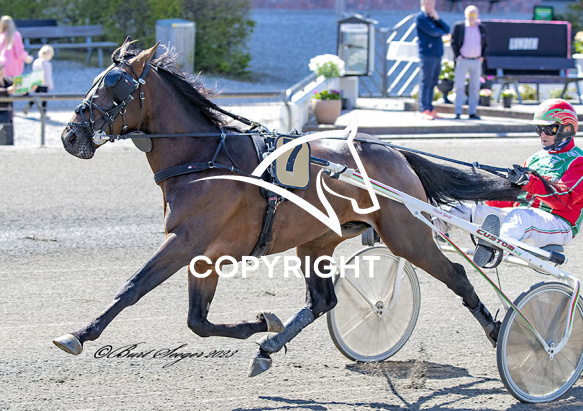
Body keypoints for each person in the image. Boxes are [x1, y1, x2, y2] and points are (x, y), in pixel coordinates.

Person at [441, 99, 583, 267]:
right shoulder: (536, 158)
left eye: (549, 129)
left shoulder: (578, 161)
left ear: (567, 128)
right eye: (539, 129)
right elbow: (516, 195)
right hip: (525, 216)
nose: (542, 134)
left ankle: (493, 251)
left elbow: (563, 198)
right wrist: (485, 199)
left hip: (559, 224)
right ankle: (427, 230)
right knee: (462, 209)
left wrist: (528, 181)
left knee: (520, 216)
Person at [450, 5, 487, 120]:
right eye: (470, 14)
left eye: (474, 14)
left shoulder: (481, 28)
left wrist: (482, 56)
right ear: (465, 15)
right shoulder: (459, 26)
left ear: (477, 15)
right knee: (459, 86)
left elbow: (486, 43)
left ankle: (472, 112)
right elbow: (453, 41)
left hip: (476, 60)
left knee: (475, 87)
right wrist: (458, 56)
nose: (472, 17)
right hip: (463, 60)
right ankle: (458, 111)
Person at [416, 0, 450, 120]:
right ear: (422, 4)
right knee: (426, 82)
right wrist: (441, 31)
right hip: (427, 54)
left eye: (431, 4)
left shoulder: (433, 18)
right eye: (427, 3)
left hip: (437, 54)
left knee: (432, 82)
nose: (429, 6)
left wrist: (438, 19)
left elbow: (447, 29)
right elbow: (433, 31)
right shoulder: (421, 18)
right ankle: (424, 109)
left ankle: (430, 108)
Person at [23, 45, 54, 116]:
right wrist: (50, 84)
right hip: (44, 84)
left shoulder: (36, 62)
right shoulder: (47, 64)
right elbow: (48, 75)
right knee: (44, 99)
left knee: (35, 97)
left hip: (37, 83)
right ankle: (43, 113)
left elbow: (33, 73)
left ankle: (29, 105)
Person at [0, 63, 15, 144]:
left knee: (7, 138)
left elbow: (16, 89)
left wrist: (27, 89)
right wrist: (7, 91)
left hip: (7, 111)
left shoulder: (8, 80)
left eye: (2, 68)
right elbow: (8, 90)